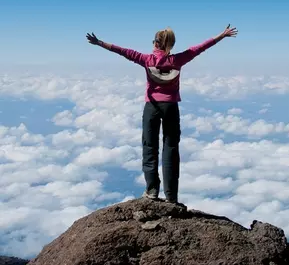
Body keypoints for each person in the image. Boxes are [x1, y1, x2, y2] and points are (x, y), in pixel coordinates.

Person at [86, 25, 238, 204]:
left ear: (156, 43)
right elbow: (201, 47)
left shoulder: (146, 59)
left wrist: (99, 43)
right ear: (170, 45)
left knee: (149, 148)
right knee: (171, 149)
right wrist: (222, 35)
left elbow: (123, 51)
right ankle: (171, 196)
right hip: (171, 107)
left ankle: (152, 191)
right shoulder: (178, 60)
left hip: (151, 107)